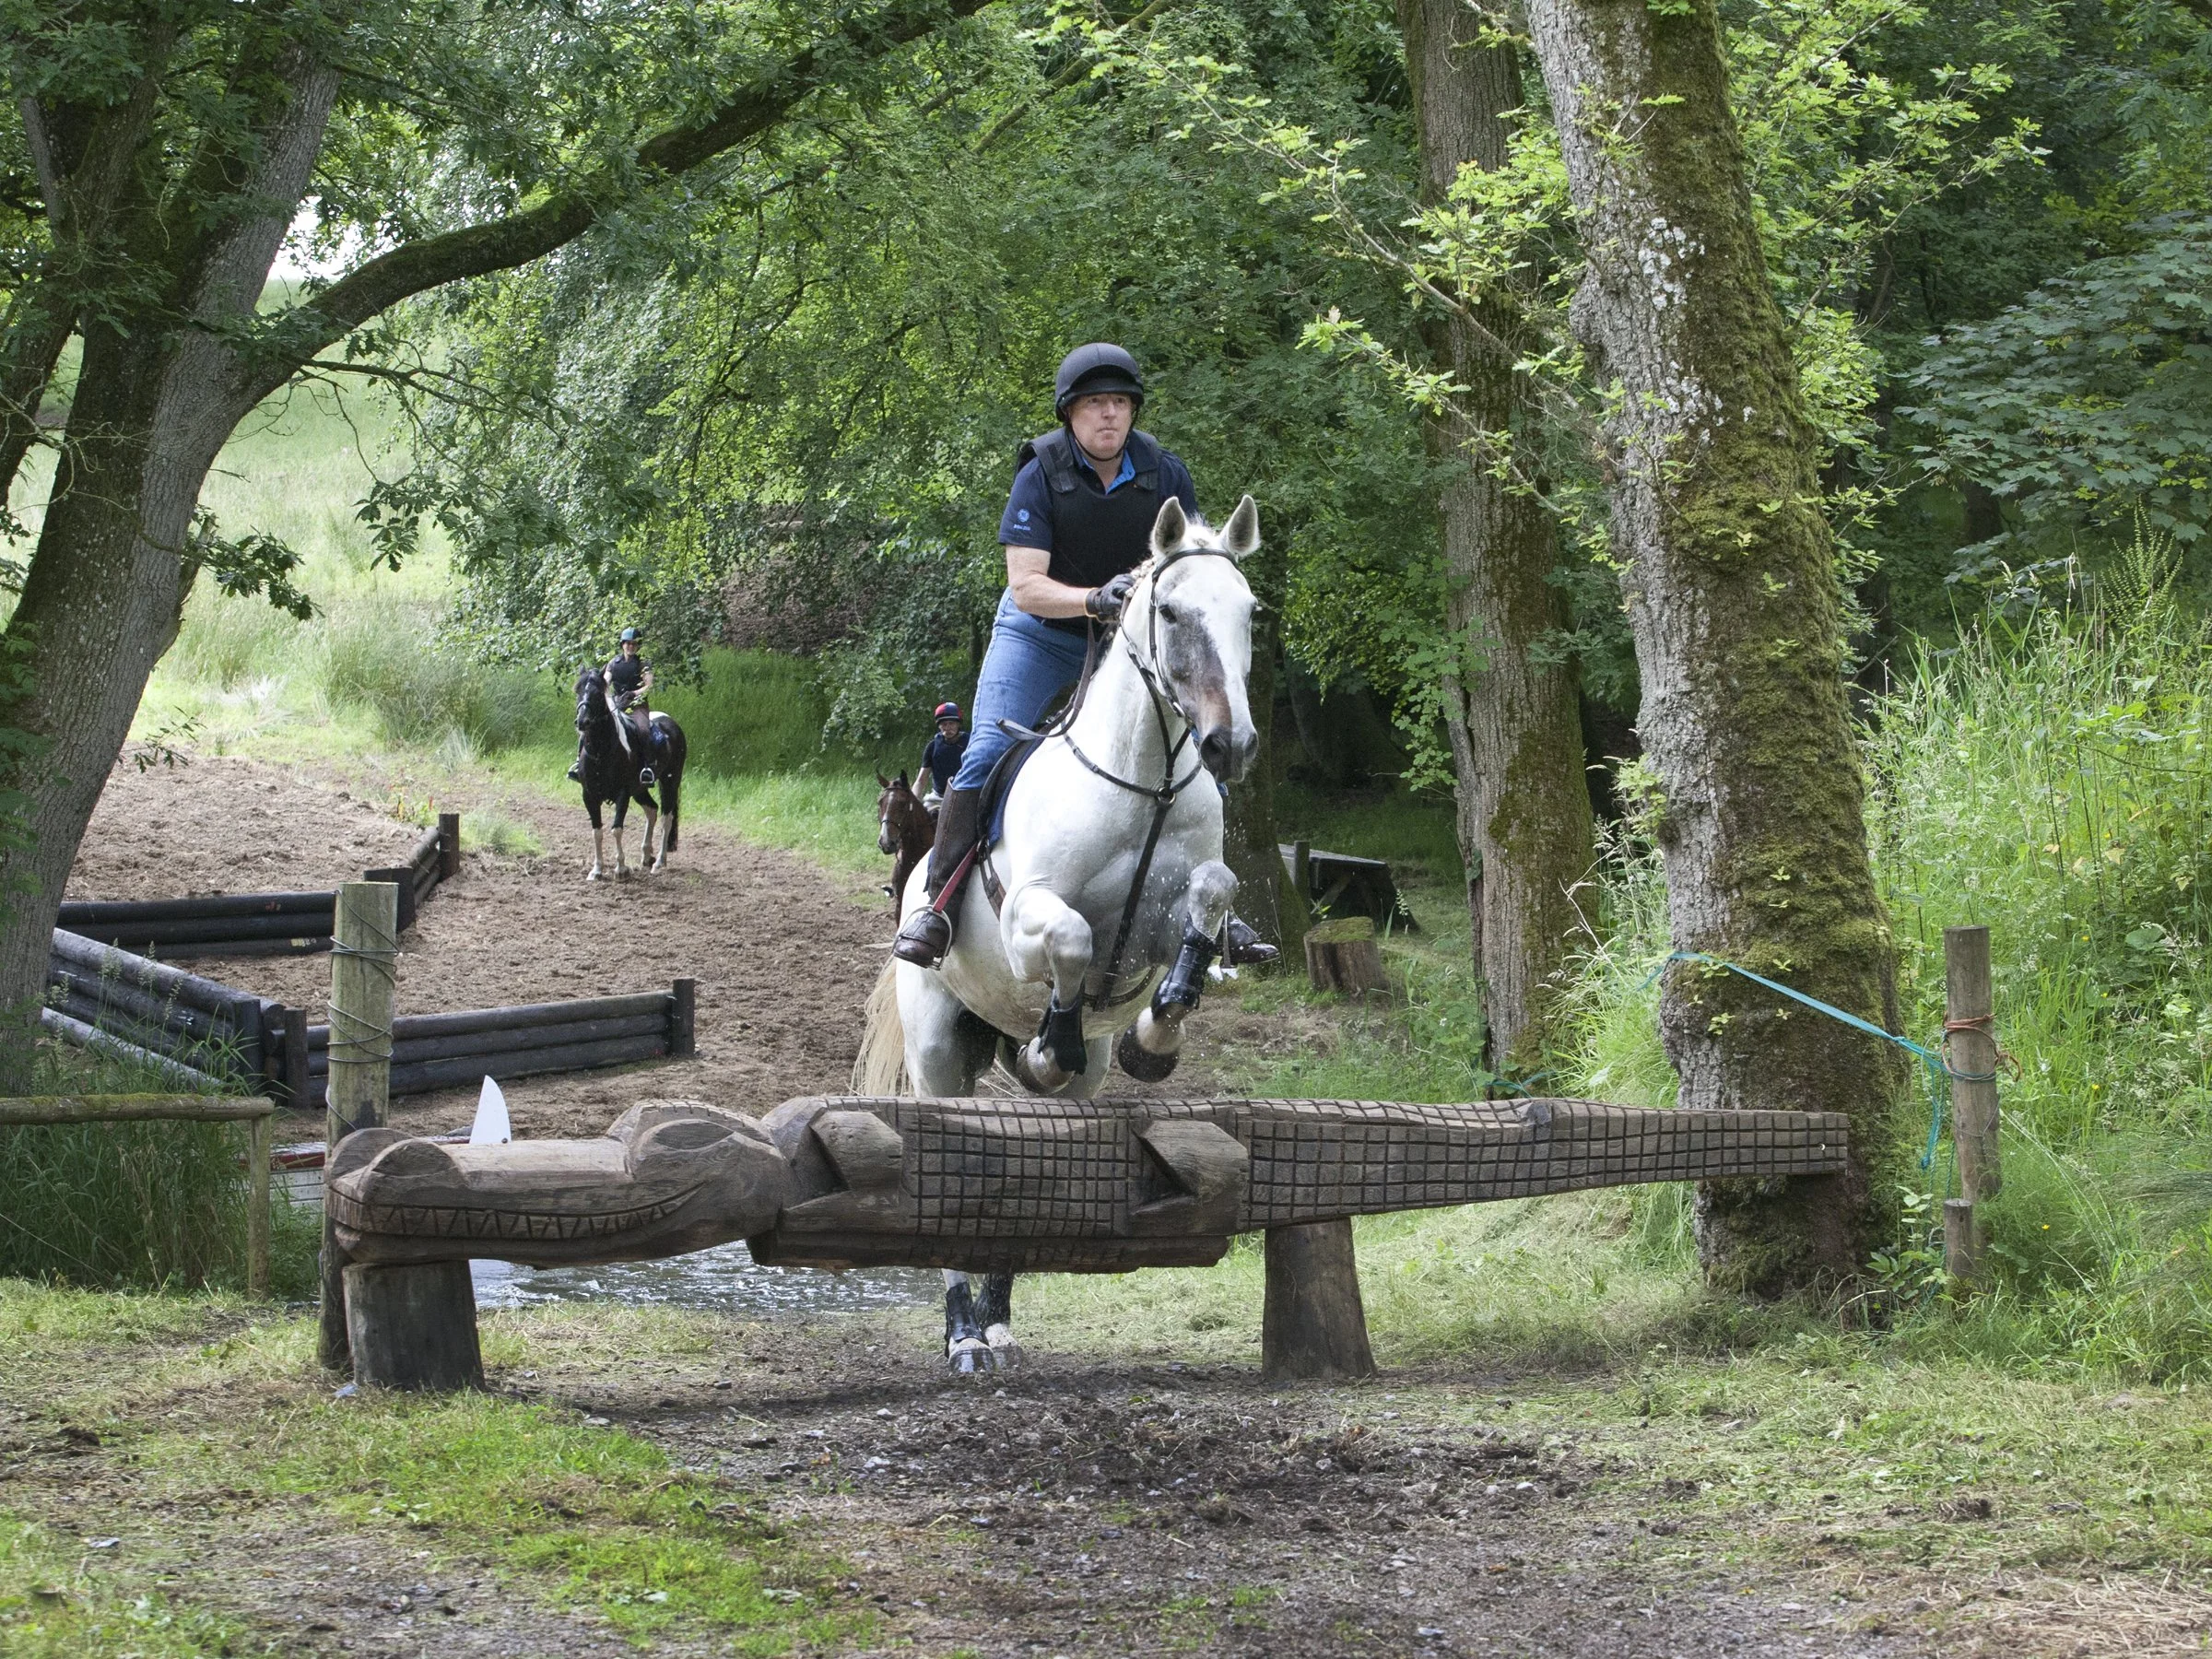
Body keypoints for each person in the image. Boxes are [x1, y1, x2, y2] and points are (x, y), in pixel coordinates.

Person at [893, 343, 1274, 971]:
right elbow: (1025, 585)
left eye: (1120, 403)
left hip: (1133, 641)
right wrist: (1095, 597)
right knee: (986, 748)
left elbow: (1194, 576)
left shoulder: (1165, 473)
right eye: (1096, 403)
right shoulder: (1040, 473)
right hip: (1041, 633)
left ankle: (1216, 910)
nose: (1110, 416)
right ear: (1070, 413)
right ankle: (940, 902)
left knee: (1198, 742)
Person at [570, 626, 661, 784]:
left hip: (637, 706)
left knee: (643, 730)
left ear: (637, 646)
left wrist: (633, 693)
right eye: (627, 643)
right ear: (622, 645)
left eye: (634, 644)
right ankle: (579, 762)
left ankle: (648, 767)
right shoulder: (613, 663)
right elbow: (605, 683)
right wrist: (608, 696)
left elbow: (649, 685)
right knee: (588, 728)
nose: (630, 646)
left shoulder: (643, 664)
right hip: (618, 704)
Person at [917, 702, 967, 804]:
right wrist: (912, 801)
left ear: (958, 724)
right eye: (944, 724)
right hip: (937, 798)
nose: (948, 728)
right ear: (939, 726)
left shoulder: (970, 744)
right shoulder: (932, 747)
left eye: (951, 723)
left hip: (964, 797)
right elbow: (921, 780)